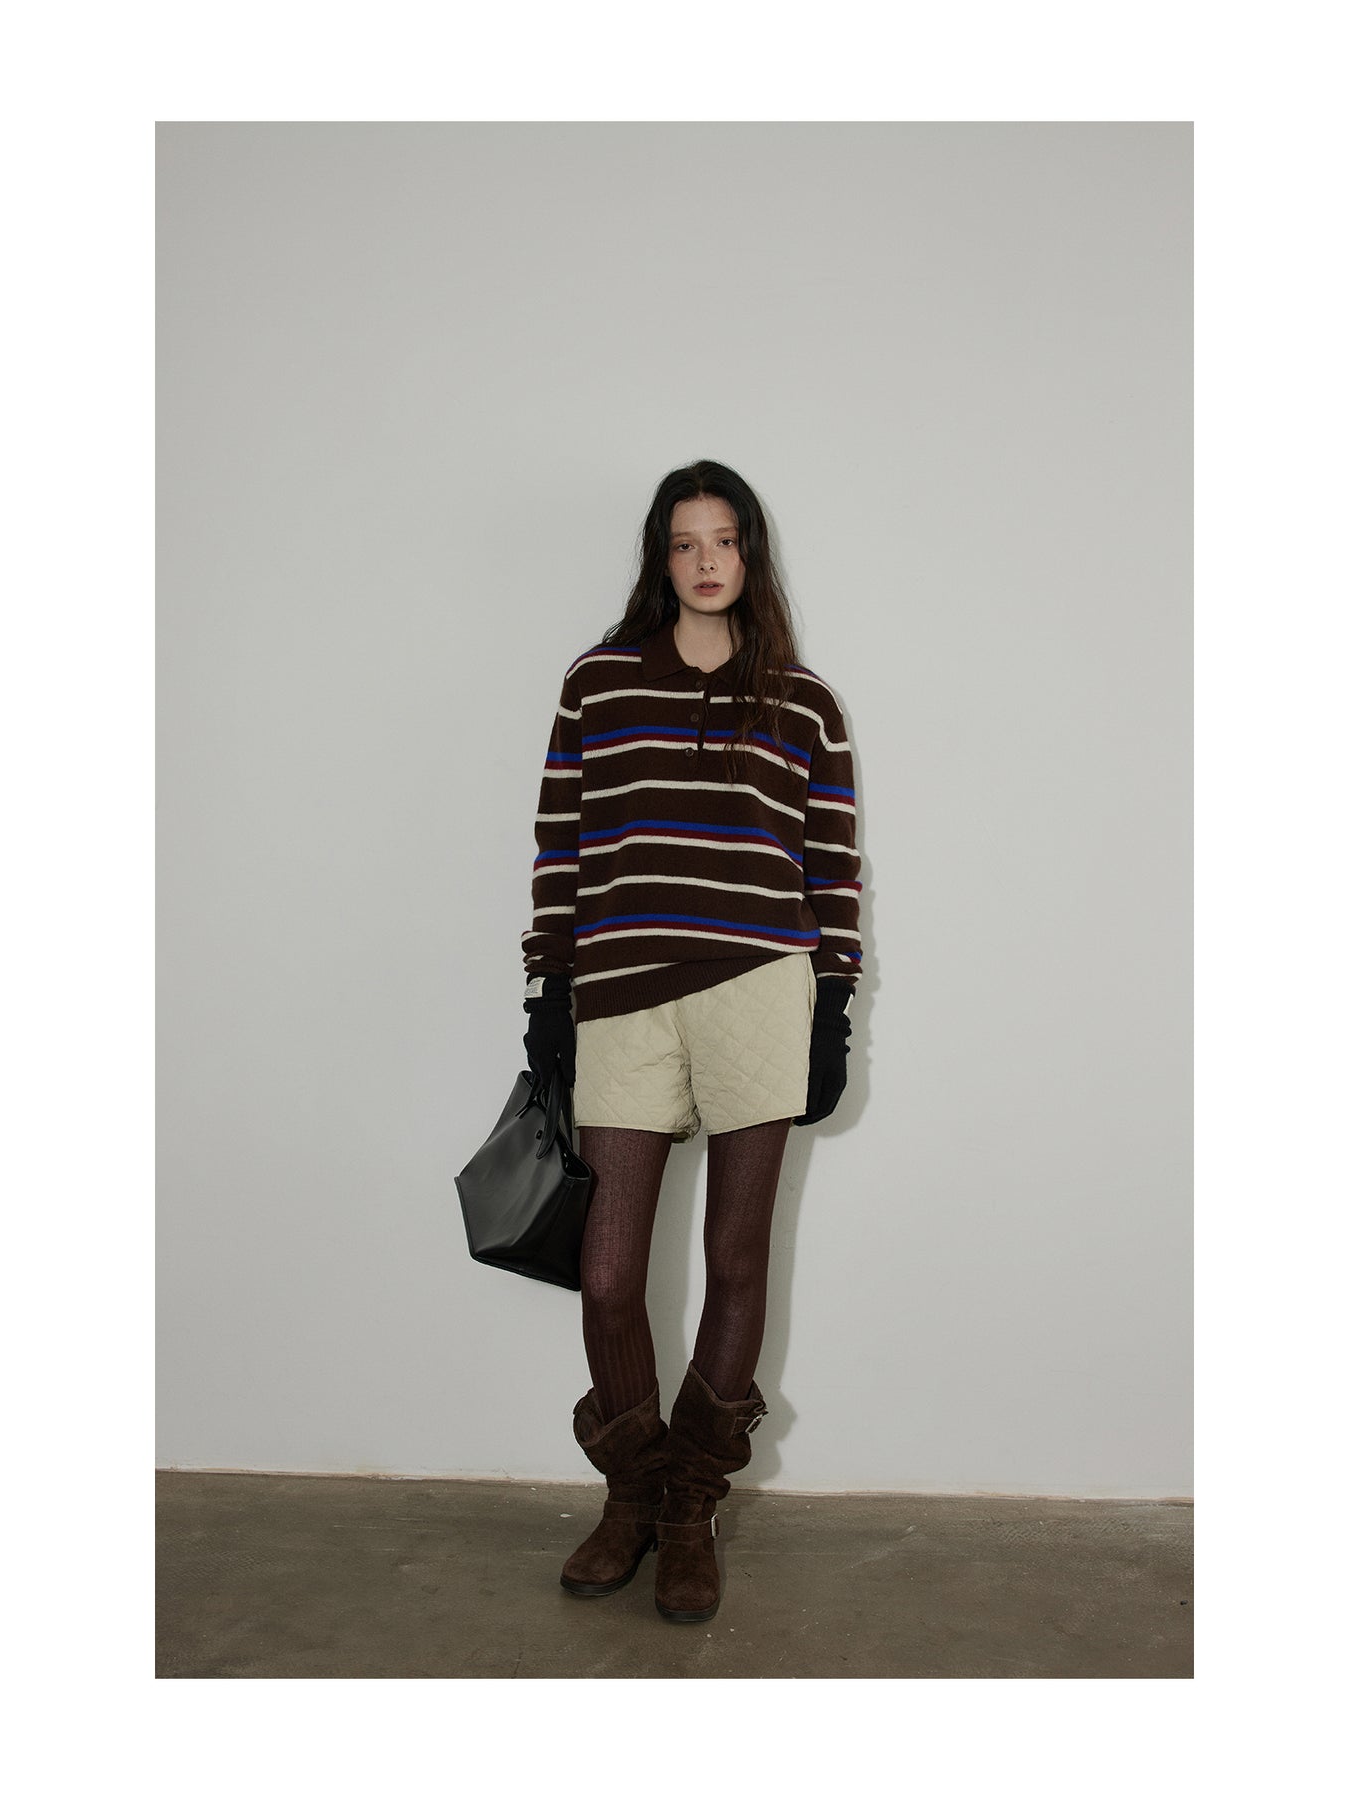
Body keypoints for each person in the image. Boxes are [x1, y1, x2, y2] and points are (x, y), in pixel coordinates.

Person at [520, 459, 863, 1623]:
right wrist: (548, 993)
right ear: (657, 558)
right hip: (622, 997)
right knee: (608, 1271)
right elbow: (561, 844)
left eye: (724, 540)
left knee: (734, 1260)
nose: (706, 561)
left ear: (750, 554)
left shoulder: (801, 701)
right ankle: (630, 1490)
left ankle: (687, 1510)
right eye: (684, 542)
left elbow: (830, 865)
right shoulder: (598, 683)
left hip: (760, 995)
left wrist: (834, 1011)